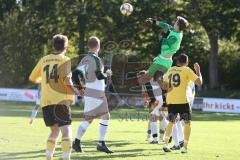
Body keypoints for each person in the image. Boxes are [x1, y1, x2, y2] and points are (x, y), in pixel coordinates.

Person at [29, 34, 80, 160]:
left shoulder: (44, 59)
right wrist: (76, 91)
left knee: (54, 132)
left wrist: (45, 80)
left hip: (46, 102)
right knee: (66, 131)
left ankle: (48, 157)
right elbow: (67, 80)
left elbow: (33, 77)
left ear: (53, 46)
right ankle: (66, 158)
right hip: (60, 101)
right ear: (66, 47)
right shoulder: (65, 60)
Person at [72, 36, 114, 153]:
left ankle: (76, 142)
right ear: (98, 46)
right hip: (97, 92)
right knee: (105, 116)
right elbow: (99, 75)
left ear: (88, 46)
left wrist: (80, 88)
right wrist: (107, 73)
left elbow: (75, 74)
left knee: (89, 119)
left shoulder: (84, 59)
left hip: (89, 91)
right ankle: (101, 143)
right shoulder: (96, 59)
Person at [138, 16, 189, 110]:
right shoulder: (176, 31)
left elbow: (165, 45)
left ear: (178, 25)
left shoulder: (175, 37)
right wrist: (153, 21)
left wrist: (165, 36)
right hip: (165, 60)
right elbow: (165, 25)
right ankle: (161, 101)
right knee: (156, 81)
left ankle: (152, 100)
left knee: (143, 78)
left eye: (176, 22)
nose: (174, 22)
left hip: (163, 61)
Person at [161, 54, 202, 153]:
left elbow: (164, 86)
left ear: (176, 62)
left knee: (171, 122)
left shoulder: (170, 70)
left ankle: (166, 144)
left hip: (171, 100)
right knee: (187, 123)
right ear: (186, 62)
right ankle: (184, 147)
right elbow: (199, 83)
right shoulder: (187, 70)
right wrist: (198, 71)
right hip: (183, 101)